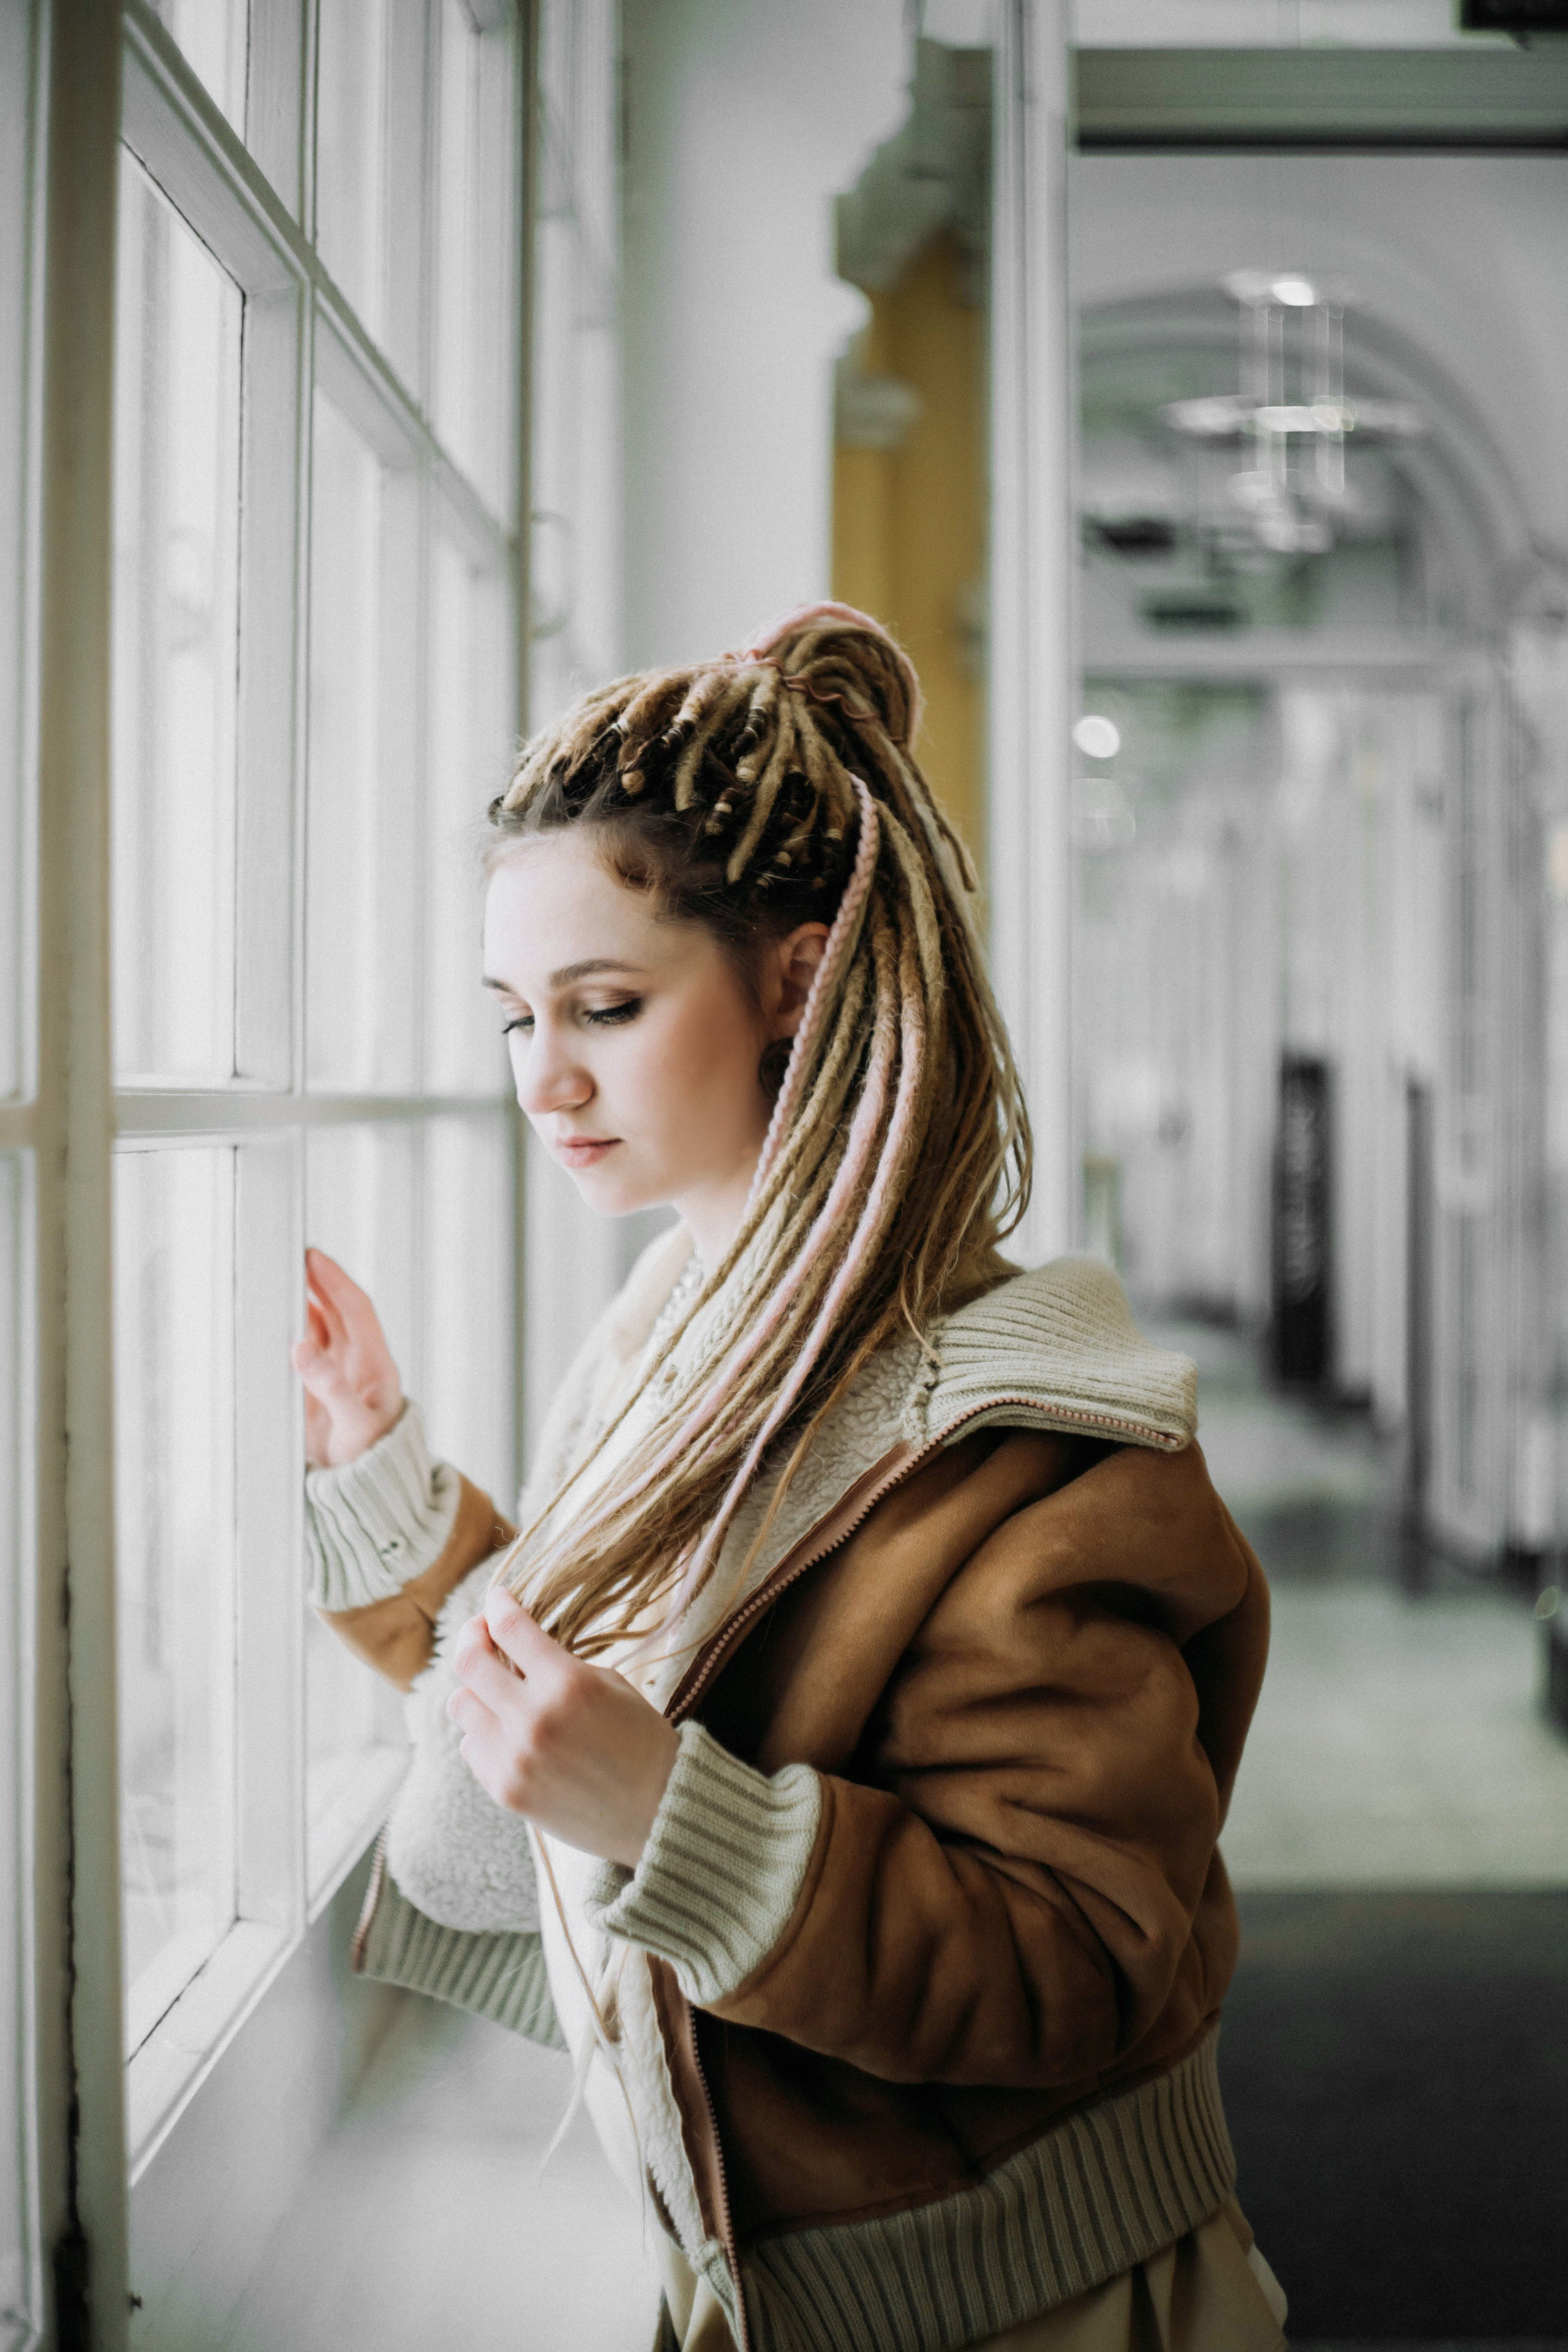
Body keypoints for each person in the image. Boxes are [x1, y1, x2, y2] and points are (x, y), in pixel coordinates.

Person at [295, 604, 1288, 2352]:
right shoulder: (673, 1318)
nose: (546, 1080)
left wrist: (670, 1823)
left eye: (604, 1005)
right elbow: (597, 1691)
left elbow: (1084, 1961)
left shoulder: (1031, 1447)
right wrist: (380, 1467)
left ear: (801, 981)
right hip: (749, 2285)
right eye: (514, 1018)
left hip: (1036, 2311)